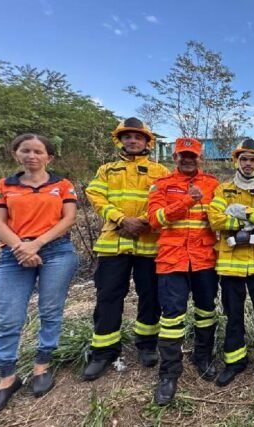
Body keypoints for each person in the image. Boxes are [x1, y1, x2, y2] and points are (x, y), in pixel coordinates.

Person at [0, 134, 78, 416]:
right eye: (26, 151)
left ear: (49, 157)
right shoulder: (4, 185)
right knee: (9, 316)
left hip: (57, 251)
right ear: (16, 154)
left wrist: (36, 244)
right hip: (14, 253)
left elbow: (69, 218)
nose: (32, 156)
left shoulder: (62, 185)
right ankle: (6, 378)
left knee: (50, 309)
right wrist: (21, 247)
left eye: (38, 151)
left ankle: (42, 366)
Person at [82, 118, 170, 381]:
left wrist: (142, 221)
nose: (132, 141)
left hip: (147, 243)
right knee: (108, 296)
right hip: (114, 242)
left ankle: (147, 344)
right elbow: (96, 197)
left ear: (147, 142)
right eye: (128, 137)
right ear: (120, 140)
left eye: (138, 137)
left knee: (150, 297)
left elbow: (165, 200)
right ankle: (103, 351)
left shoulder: (161, 172)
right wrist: (121, 219)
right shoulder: (107, 170)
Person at [147, 137, 220, 405]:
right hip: (172, 260)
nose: (188, 159)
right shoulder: (162, 185)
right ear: (175, 158)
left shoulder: (213, 184)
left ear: (200, 158)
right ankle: (169, 373)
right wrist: (186, 202)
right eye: (182, 155)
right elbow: (155, 220)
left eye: (192, 155)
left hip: (204, 258)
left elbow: (218, 219)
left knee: (205, 311)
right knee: (171, 316)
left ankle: (203, 357)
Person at [208, 139, 254, 387]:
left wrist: (237, 211)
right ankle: (234, 362)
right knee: (233, 315)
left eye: (253, 159)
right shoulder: (223, 189)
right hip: (230, 264)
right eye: (244, 159)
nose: (248, 164)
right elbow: (215, 219)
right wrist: (243, 220)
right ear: (236, 161)